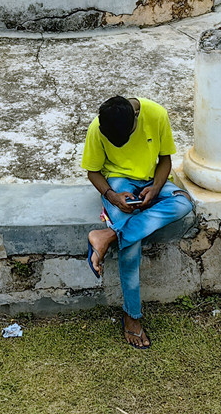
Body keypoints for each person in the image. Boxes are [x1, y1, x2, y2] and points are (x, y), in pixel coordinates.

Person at [82, 95, 194, 349]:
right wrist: (112, 196)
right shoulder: (97, 127)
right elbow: (93, 171)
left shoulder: (156, 114)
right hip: (118, 184)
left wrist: (155, 189)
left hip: (152, 181)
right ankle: (132, 316)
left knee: (183, 202)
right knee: (131, 246)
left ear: (135, 117)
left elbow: (165, 159)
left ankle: (108, 235)